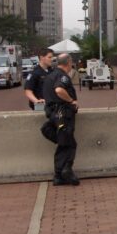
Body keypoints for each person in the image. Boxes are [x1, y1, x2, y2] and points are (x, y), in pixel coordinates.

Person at [42, 53, 80, 186]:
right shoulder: (62, 76)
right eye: (71, 62)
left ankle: (58, 176)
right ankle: (66, 171)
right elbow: (59, 90)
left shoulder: (49, 76)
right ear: (68, 62)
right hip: (63, 114)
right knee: (69, 143)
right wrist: (71, 101)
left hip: (53, 115)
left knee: (64, 143)